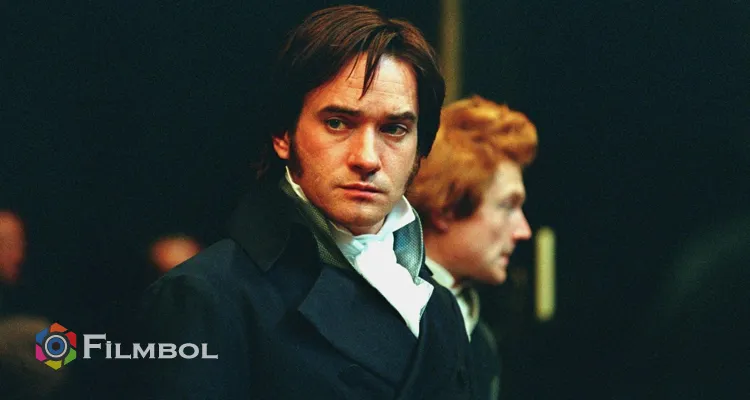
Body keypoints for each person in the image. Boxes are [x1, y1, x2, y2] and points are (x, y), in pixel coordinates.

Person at [129, 5, 473, 399]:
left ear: (420, 149)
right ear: (283, 135)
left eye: (394, 128)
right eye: (338, 123)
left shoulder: (440, 306)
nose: (367, 158)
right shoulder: (207, 296)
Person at [407, 95, 538, 399]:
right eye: (508, 205)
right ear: (445, 208)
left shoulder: (482, 341)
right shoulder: (384, 315)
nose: (523, 231)